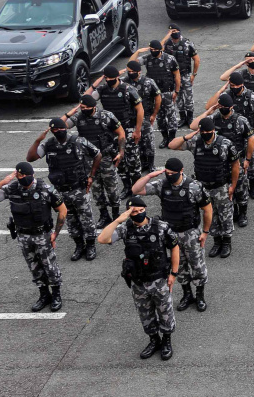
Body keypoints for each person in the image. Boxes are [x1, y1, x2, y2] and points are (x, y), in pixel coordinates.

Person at [97, 196, 179, 360]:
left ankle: (166, 341)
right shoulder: (126, 229)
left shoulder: (160, 227)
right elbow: (102, 239)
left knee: (165, 312)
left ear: (145, 209)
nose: (138, 214)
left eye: (140, 211)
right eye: (133, 212)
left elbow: (175, 247)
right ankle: (154, 340)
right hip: (138, 282)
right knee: (145, 314)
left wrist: (173, 274)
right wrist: (118, 220)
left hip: (159, 280)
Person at [0, 163, 67, 312]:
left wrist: (55, 234)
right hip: (23, 236)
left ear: (32, 174)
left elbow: (62, 210)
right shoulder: (12, 189)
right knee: (34, 267)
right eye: (19, 176)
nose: (22, 179)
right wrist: (3, 182)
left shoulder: (46, 190)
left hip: (42, 235)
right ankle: (44, 294)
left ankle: (56, 295)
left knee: (50, 266)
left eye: (24, 176)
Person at [133, 158, 212, 312]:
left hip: (190, 233)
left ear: (181, 171)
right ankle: (187, 294)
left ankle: (200, 296)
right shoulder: (162, 185)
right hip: (171, 234)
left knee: (197, 265)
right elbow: (136, 190)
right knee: (179, 266)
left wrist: (205, 232)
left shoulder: (194, 187)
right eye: (167, 173)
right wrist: (150, 176)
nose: (169, 176)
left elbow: (207, 209)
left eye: (172, 174)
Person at [27, 118, 102, 261]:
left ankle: (91, 245)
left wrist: (91, 176)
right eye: (53, 130)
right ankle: (79, 245)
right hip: (61, 190)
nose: (57, 132)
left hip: (78, 188)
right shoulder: (48, 145)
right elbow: (30, 157)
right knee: (70, 219)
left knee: (86, 218)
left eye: (59, 129)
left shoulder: (78, 141)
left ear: (65, 128)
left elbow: (97, 154)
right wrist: (38, 140)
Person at [168, 117, 240, 258]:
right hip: (203, 188)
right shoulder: (195, 142)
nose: (205, 133)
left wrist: (233, 185)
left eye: (208, 131)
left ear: (214, 130)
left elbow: (235, 165)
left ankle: (226, 242)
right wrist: (186, 136)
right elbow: (172, 145)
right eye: (203, 131)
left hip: (221, 187)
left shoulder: (225, 144)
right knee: (210, 215)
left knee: (225, 215)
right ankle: (216, 241)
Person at [192, 95, 254, 228]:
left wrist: (248, 160)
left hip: (237, 159)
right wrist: (210, 110)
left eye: (224, 107)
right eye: (220, 107)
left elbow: (251, 140)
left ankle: (243, 213)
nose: (222, 109)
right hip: (219, 162)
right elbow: (194, 125)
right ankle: (233, 212)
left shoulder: (240, 120)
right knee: (226, 190)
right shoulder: (213, 119)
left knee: (240, 187)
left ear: (231, 107)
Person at [62, 95, 126, 227]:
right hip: (88, 160)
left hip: (106, 157)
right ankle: (104, 215)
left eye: (85, 108)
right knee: (96, 189)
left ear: (94, 107)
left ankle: (116, 214)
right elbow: (60, 126)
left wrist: (121, 152)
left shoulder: (106, 116)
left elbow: (121, 133)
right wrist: (71, 112)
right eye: (82, 107)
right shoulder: (79, 116)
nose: (83, 110)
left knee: (112, 188)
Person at [86, 65, 144, 199]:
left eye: (112, 78)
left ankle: (136, 189)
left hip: (128, 129)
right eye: (107, 79)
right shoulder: (102, 89)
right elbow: (86, 98)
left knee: (133, 161)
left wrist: (138, 130)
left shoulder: (128, 89)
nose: (110, 81)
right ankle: (127, 187)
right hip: (111, 132)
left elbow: (140, 110)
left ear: (118, 77)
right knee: (119, 162)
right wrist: (97, 82)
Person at [206, 72, 254, 199]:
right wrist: (221, 90)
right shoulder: (227, 96)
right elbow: (208, 106)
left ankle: (253, 186)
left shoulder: (252, 97)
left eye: (235, 85)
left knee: (251, 163)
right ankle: (237, 186)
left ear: (242, 85)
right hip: (229, 136)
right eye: (231, 85)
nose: (233, 88)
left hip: (248, 134)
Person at [130, 40, 181, 149]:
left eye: (155, 50)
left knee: (171, 116)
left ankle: (172, 138)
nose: (153, 51)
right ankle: (165, 138)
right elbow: (131, 64)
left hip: (166, 92)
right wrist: (138, 51)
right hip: (153, 94)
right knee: (160, 117)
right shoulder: (147, 58)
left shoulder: (170, 59)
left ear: (160, 49)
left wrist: (176, 91)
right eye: (151, 49)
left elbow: (177, 75)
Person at [122, 61, 161, 170]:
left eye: (132, 72)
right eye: (128, 72)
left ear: (139, 72)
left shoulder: (148, 82)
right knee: (135, 143)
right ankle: (142, 163)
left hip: (145, 117)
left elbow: (158, 98)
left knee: (148, 141)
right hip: (129, 118)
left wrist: (154, 114)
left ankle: (151, 164)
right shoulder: (124, 83)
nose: (130, 74)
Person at [162, 24, 200, 126]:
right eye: (171, 31)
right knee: (177, 97)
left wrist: (193, 74)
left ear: (179, 31)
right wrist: (167, 36)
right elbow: (159, 48)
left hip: (185, 74)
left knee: (188, 97)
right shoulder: (167, 43)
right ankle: (182, 117)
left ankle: (190, 118)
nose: (173, 33)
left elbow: (196, 59)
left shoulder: (187, 43)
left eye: (174, 31)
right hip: (173, 76)